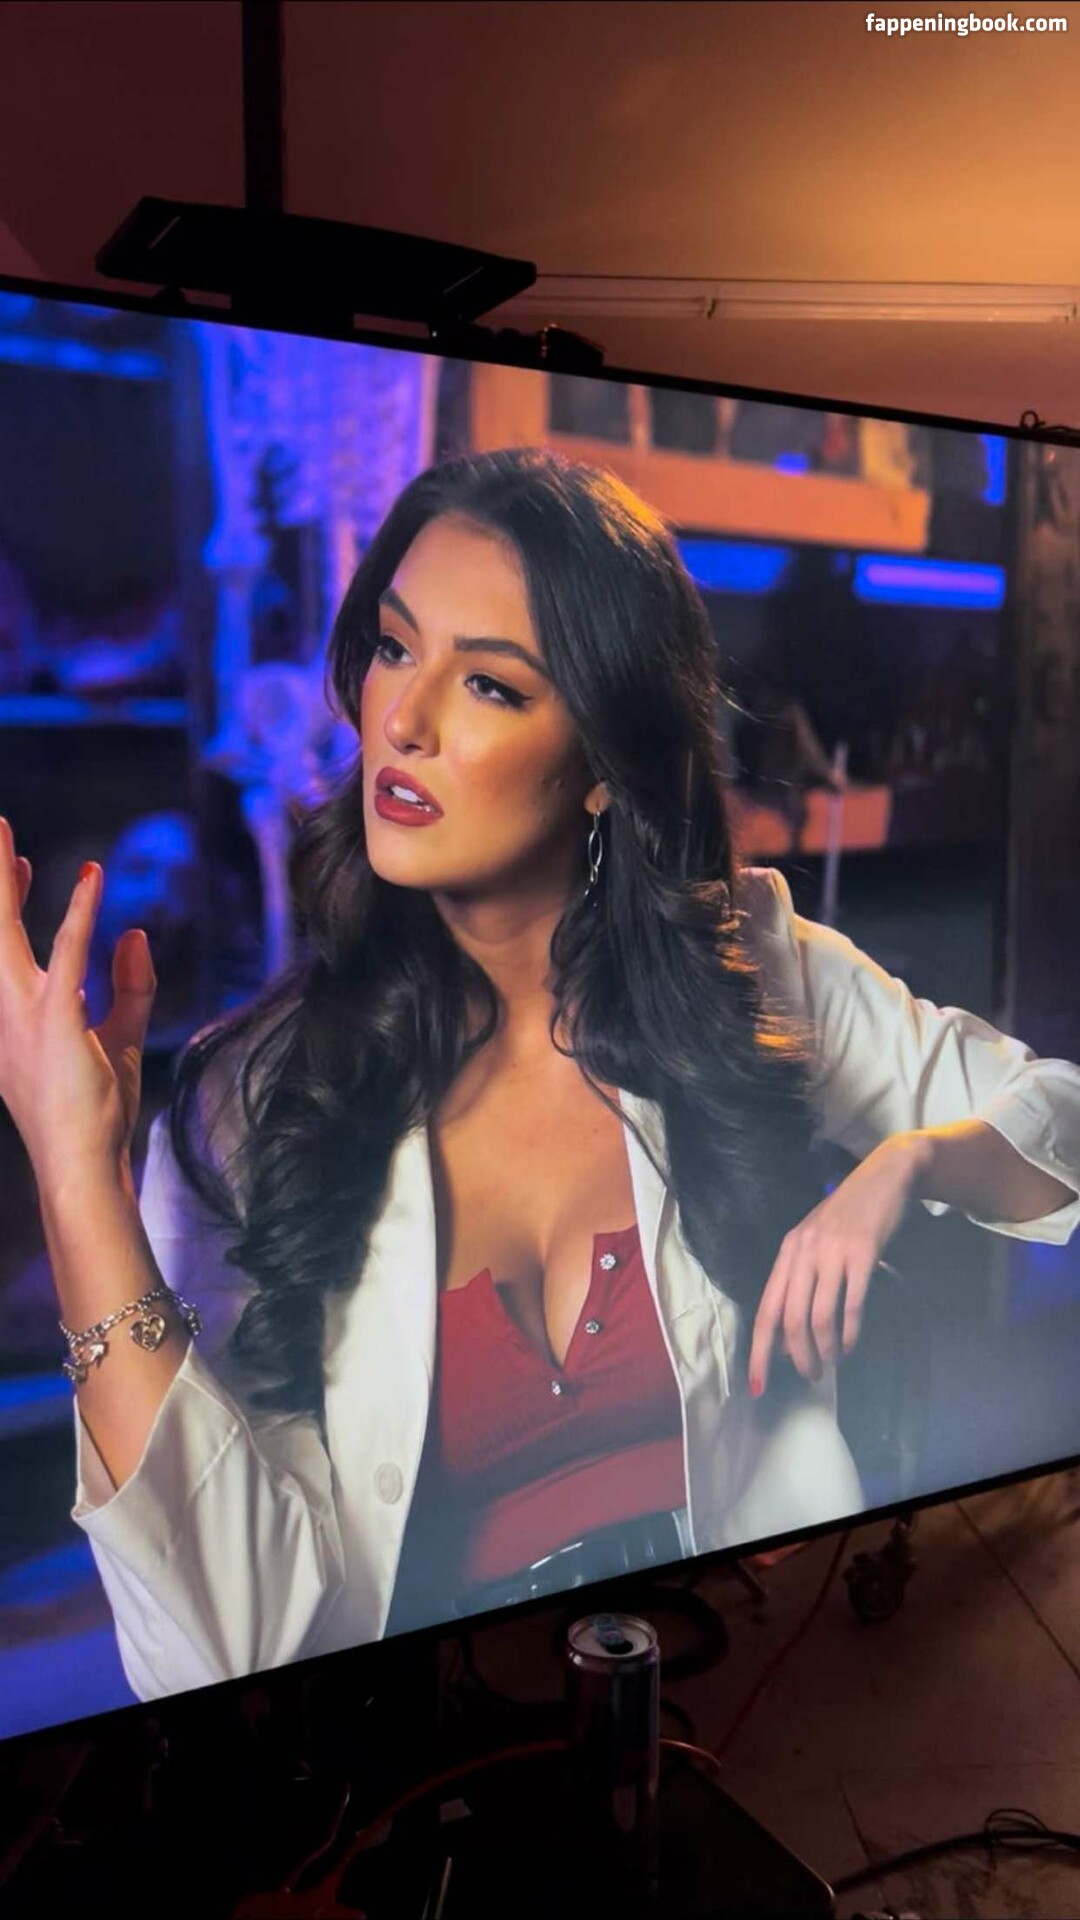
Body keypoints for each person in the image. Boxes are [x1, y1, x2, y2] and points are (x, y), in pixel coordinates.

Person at [0, 448, 1077, 1703]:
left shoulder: (745, 968)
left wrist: (911, 1161)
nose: (403, 722)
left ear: (605, 765)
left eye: (490, 685)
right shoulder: (257, 1102)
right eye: (394, 647)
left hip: (745, 1686)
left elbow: (1061, 1123)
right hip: (434, 1747)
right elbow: (226, 1654)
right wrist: (75, 1174)